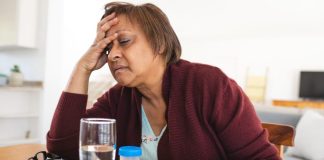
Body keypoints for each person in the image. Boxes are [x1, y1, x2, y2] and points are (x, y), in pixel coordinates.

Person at [47, 2, 280, 160]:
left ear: (159, 43)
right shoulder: (118, 97)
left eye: (124, 41)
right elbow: (63, 147)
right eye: (108, 48)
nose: (113, 54)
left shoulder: (209, 85)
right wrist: (82, 68)